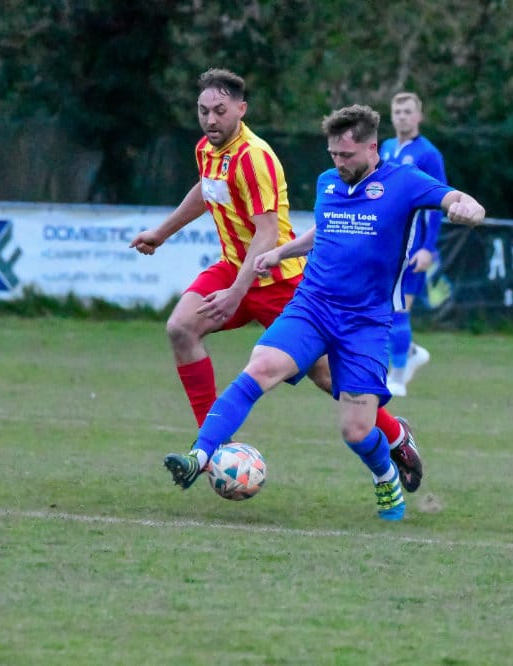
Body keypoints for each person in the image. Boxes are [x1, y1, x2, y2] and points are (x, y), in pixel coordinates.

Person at [163, 104, 485, 521]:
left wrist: (468, 209)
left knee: (356, 430)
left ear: (372, 148)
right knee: (260, 367)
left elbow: (457, 198)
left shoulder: (404, 182)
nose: (339, 162)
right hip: (312, 306)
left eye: (346, 155)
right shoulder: (328, 182)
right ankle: (200, 455)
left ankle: (385, 474)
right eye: (333, 154)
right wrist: (282, 252)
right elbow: (326, 229)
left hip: (365, 322)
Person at [130, 70, 423, 492]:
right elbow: (205, 190)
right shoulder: (206, 149)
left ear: (241, 109)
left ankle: (395, 436)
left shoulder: (256, 157)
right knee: (180, 328)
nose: (210, 119)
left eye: (219, 111)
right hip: (233, 266)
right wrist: (162, 232)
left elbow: (267, 234)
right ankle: (211, 447)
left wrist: (237, 293)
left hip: (278, 278)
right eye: (203, 110)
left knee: (332, 379)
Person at [379, 92, 448, 397]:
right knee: (383, 311)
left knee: (399, 310)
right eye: (398, 111)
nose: (402, 116)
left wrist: (427, 248)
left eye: (408, 111)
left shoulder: (428, 154)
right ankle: (411, 353)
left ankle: (397, 376)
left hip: (413, 246)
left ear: (419, 116)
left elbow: (438, 203)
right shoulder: (386, 147)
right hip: (387, 246)